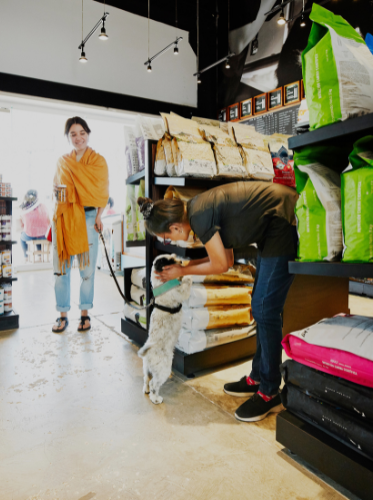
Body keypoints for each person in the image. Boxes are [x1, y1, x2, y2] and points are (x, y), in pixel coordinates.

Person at [138, 181, 299, 422]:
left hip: (284, 223)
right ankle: (258, 377)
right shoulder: (195, 210)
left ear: (174, 226)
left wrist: (182, 272)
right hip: (272, 228)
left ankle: (270, 392)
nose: (169, 242)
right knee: (260, 305)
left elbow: (221, 265)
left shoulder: (200, 217)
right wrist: (184, 267)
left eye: (166, 236)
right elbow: (228, 256)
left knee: (265, 309)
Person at [52, 117, 109, 333]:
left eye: (82, 132)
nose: (78, 138)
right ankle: (62, 315)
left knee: (87, 271)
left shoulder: (98, 161)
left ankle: (85, 314)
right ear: (68, 137)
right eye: (73, 134)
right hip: (65, 218)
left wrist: (98, 216)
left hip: (88, 217)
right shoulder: (62, 162)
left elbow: (102, 192)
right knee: (61, 270)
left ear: (88, 133)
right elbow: (57, 191)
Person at [18, 190, 51, 263]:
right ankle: (39, 256)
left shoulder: (25, 208)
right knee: (38, 234)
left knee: (22, 238)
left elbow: (21, 223)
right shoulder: (43, 206)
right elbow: (48, 220)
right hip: (44, 235)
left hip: (29, 235)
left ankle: (26, 257)